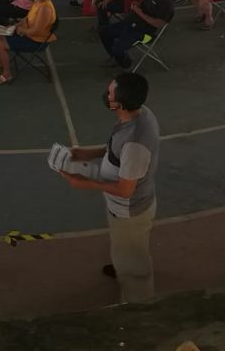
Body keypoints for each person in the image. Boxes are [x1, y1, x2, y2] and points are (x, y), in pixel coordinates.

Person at [58, 72, 159, 303]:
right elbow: (115, 149)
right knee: (124, 248)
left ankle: (137, 302)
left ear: (119, 105)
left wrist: (83, 183)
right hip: (121, 208)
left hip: (129, 210)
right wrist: (89, 153)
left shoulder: (135, 144)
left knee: (135, 264)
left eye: (110, 93)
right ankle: (123, 265)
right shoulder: (140, 113)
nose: (107, 94)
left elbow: (125, 190)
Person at [0, 0, 57, 85]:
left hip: (36, 40)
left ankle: (7, 74)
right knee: (0, 35)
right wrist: (15, 26)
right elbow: (27, 19)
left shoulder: (45, 8)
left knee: (0, 44)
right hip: (28, 33)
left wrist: (21, 30)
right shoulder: (38, 2)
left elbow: (35, 31)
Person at [98, 0, 175, 69]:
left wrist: (139, 13)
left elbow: (158, 24)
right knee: (103, 32)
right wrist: (137, 4)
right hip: (131, 23)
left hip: (145, 32)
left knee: (117, 48)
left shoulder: (167, 5)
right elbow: (143, 4)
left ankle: (125, 63)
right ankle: (116, 58)